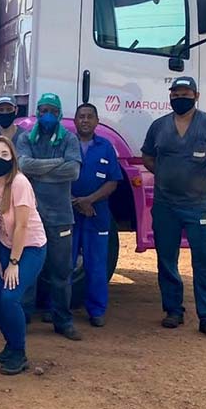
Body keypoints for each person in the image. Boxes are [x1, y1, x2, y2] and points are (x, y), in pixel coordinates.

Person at [142, 76, 206, 340]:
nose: (179, 97)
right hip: (165, 205)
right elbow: (148, 156)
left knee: (204, 261)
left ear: (196, 95)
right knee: (166, 259)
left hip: (197, 206)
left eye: (185, 93)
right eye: (175, 93)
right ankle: (173, 310)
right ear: (170, 96)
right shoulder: (159, 126)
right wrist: (164, 174)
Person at [17, 93, 82, 341]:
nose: (47, 115)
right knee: (28, 271)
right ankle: (22, 318)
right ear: (37, 112)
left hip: (60, 217)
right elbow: (22, 166)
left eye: (52, 111)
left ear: (59, 113)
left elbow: (73, 171)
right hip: (31, 217)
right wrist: (57, 165)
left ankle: (62, 321)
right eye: (43, 110)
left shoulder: (70, 139)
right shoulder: (25, 138)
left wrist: (39, 170)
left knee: (61, 273)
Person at [0, 136, 48, 375]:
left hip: (30, 248)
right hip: (3, 246)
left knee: (9, 298)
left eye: (4, 155)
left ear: (13, 158)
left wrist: (14, 263)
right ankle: (10, 344)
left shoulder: (20, 183)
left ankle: (19, 352)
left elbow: (21, 226)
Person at [71, 102, 122, 328]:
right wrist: (76, 202)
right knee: (63, 264)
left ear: (97, 121)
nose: (85, 120)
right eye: (81, 116)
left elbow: (113, 182)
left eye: (89, 116)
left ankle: (96, 310)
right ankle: (57, 309)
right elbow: (56, 178)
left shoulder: (106, 147)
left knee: (97, 264)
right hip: (69, 214)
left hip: (97, 214)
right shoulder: (66, 144)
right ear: (74, 121)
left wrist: (89, 200)